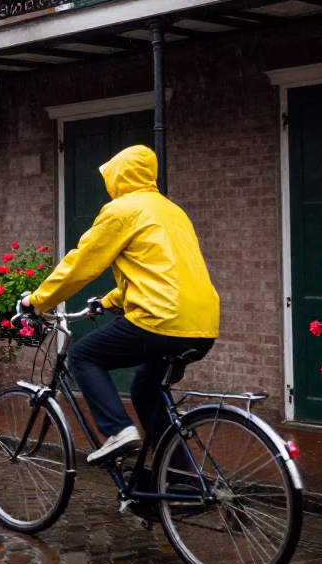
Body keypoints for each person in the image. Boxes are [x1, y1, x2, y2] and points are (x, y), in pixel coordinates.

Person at [22, 145, 220, 465]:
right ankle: (182, 485)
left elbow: (82, 264)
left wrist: (37, 300)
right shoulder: (172, 210)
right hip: (202, 325)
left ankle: (118, 430)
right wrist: (109, 301)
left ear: (117, 176)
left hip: (160, 319)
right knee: (145, 390)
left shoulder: (122, 210)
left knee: (83, 355)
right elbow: (159, 271)